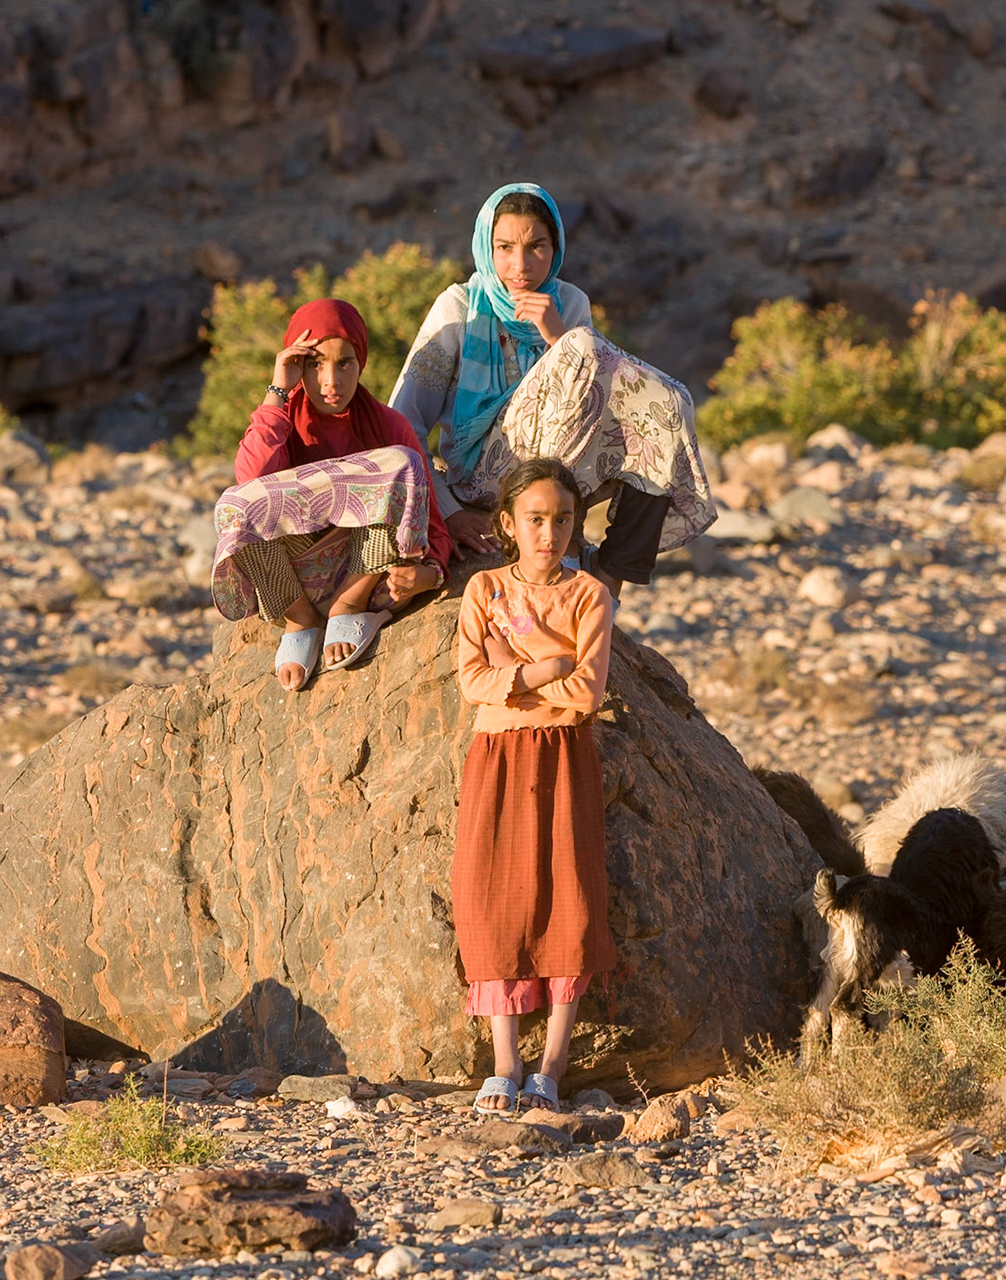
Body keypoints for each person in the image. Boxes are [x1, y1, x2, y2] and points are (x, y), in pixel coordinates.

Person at [389, 181, 715, 599]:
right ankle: (549, 545)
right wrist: (449, 513)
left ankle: (610, 571)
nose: (520, 265)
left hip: (565, 471)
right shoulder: (459, 308)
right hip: (480, 479)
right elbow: (403, 420)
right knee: (581, 348)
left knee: (669, 403)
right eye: (504, 247)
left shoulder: (571, 302)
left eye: (536, 247)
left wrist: (554, 333)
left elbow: (598, 405)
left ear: (556, 247)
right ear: (485, 248)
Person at [451, 457, 615, 1114]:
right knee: (490, 900)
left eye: (563, 520)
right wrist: (544, 665)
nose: (549, 534)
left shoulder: (589, 597)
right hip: (495, 755)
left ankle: (552, 1065)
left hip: (564, 755)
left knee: (569, 898)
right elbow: (471, 681)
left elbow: (585, 695)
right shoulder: (484, 591)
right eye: (536, 520)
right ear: (508, 524)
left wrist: (510, 667)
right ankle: (504, 1062)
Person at [211, 299, 451, 692]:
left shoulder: (388, 424)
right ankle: (301, 620)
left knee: (401, 463)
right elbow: (250, 482)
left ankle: (348, 606)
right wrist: (277, 391)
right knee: (235, 506)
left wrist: (427, 574)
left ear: (362, 363)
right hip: (295, 582)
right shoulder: (284, 421)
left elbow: (430, 523)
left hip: (372, 581)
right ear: (297, 368)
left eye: (345, 364)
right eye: (314, 364)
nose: (331, 381)